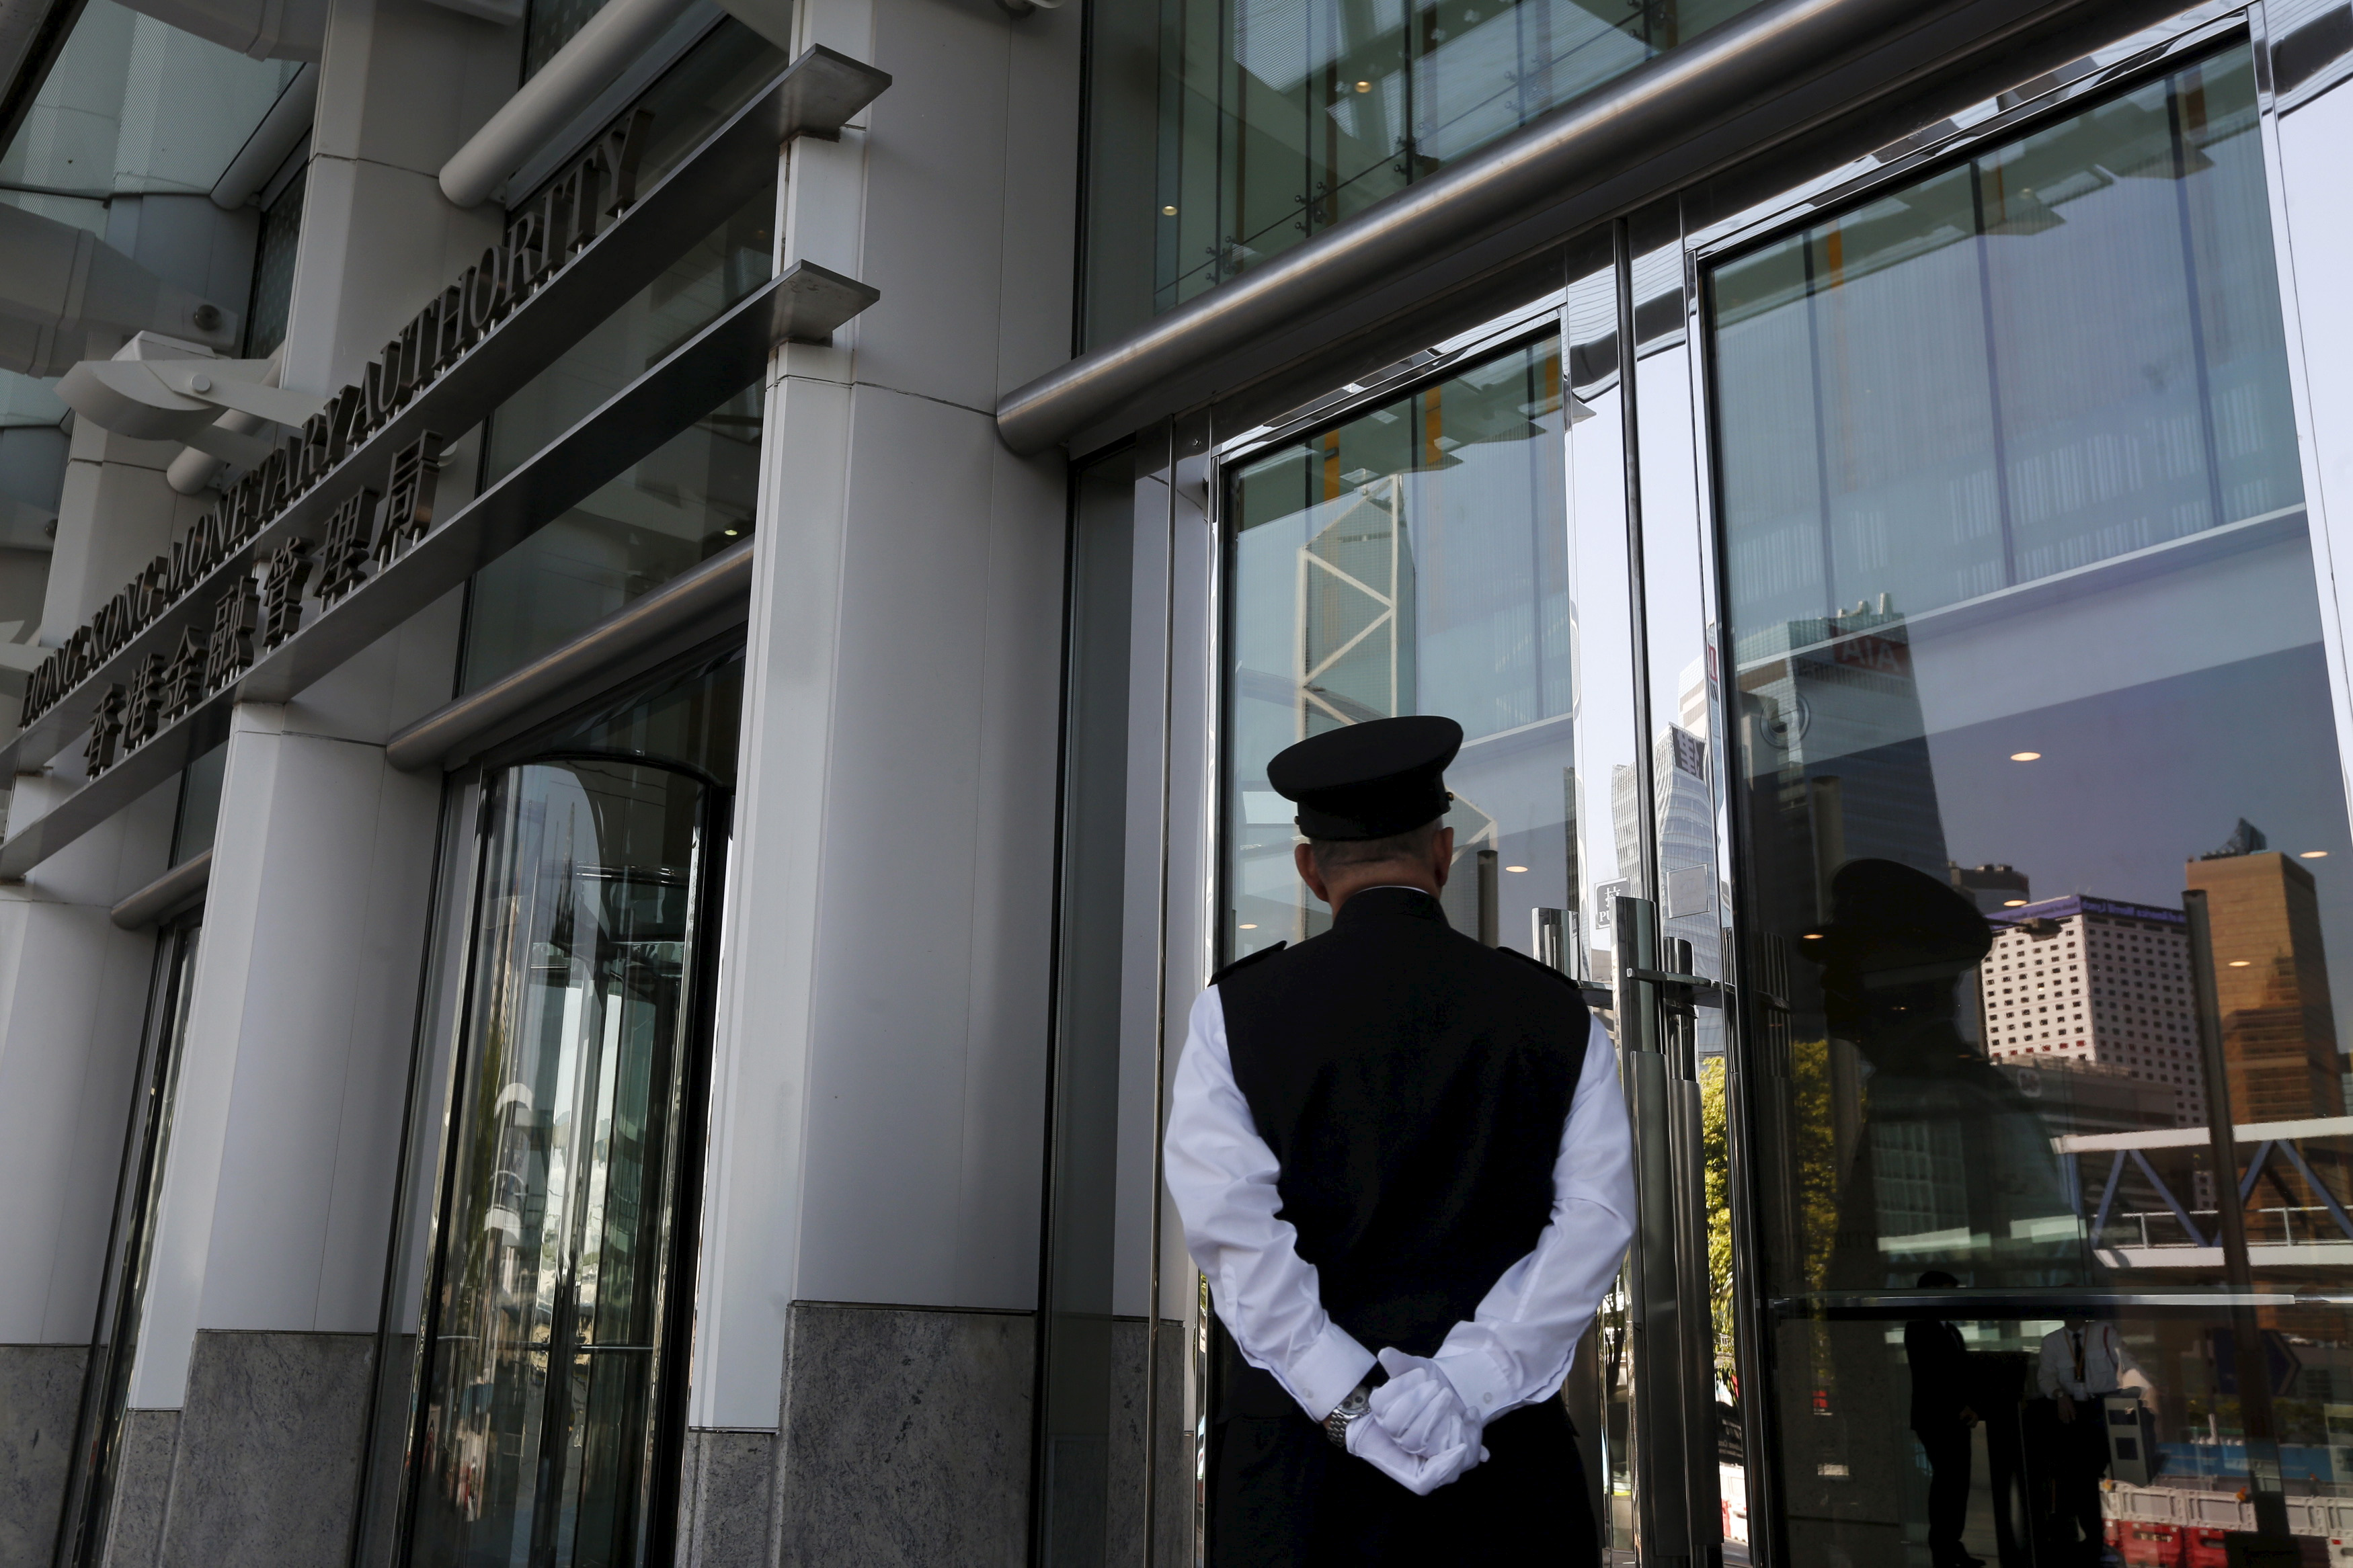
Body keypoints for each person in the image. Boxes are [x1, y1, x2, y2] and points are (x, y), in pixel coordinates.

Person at [1164, 714, 1636, 1567]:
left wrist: (1350, 1402)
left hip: (1297, 1479)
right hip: (1505, 1472)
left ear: (1310, 868)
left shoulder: (1232, 1012)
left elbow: (1232, 1234)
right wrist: (1462, 1384)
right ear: (1443, 852)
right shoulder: (1555, 1014)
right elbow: (1595, 1222)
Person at [2036, 1317, 2149, 1562]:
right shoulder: (2052, 1341)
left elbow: (2129, 1365)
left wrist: (2135, 1392)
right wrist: (2058, 1395)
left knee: (2100, 1474)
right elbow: (2045, 1377)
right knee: (2078, 1477)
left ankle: (2096, 1539)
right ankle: (2088, 1539)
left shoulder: (2104, 1332)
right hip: (2073, 1411)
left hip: (2104, 1407)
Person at [1905, 1270, 1983, 1568]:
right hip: (1937, 1419)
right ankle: (1943, 1546)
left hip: (1956, 1418)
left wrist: (1972, 1406)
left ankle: (1952, 1544)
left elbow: (1961, 1374)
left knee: (1957, 1483)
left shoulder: (1951, 1330)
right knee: (1947, 1483)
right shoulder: (1919, 1327)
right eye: (1948, 1291)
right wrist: (1959, 1408)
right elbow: (1932, 1377)